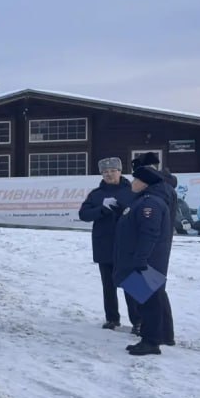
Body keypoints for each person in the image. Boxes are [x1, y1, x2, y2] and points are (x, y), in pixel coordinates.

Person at [115, 163, 173, 356]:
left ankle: (151, 341)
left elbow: (149, 233)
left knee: (149, 303)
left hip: (145, 263)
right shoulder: (144, 200)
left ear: (144, 183)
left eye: (136, 180)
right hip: (140, 260)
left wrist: (141, 259)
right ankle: (153, 337)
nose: (133, 183)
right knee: (146, 301)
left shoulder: (150, 203)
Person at [78, 156, 139, 331]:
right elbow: (83, 214)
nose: (109, 175)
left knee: (132, 285)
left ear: (120, 171)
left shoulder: (132, 191)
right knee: (108, 286)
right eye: (105, 172)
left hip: (127, 247)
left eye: (113, 171)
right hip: (104, 246)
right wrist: (102, 210)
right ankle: (112, 318)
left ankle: (139, 321)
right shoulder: (96, 194)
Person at [131, 152, 177, 344]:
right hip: (154, 247)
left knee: (150, 292)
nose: (132, 180)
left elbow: (150, 227)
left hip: (150, 250)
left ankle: (153, 336)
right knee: (153, 291)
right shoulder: (163, 189)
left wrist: (140, 255)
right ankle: (162, 334)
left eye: (135, 176)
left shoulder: (154, 196)